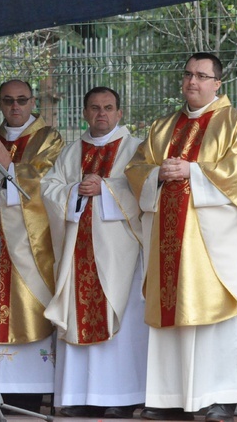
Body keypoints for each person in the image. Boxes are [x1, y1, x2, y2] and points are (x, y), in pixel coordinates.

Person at [125, 52, 237, 422]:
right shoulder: (163, 126)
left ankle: (220, 398)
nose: (192, 82)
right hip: (168, 241)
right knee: (171, 316)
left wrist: (193, 171)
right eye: (188, 74)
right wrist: (157, 173)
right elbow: (136, 167)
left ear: (218, 83)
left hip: (214, 246)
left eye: (202, 76)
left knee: (214, 321)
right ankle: (168, 397)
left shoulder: (235, 123)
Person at [41, 86, 148, 418]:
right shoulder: (73, 151)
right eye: (94, 107)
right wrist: (75, 189)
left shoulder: (135, 149)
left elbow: (144, 188)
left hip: (120, 253)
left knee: (123, 319)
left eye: (108, 107)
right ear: (85, 112)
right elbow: (49, 188)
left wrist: (105, 188)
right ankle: (76, 395)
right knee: (77, 316)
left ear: (119, 113)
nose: (101, 113)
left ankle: (120, 396)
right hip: (78, 250)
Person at [0, 79, 64, 412]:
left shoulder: (49, 137)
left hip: (29, 244)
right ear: (0, 103)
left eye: (21, 100)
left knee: (29, 306)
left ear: (32, 101)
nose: (15, 107)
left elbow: (46, 183)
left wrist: (9, 168)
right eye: (7, 101)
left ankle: (31, 394)